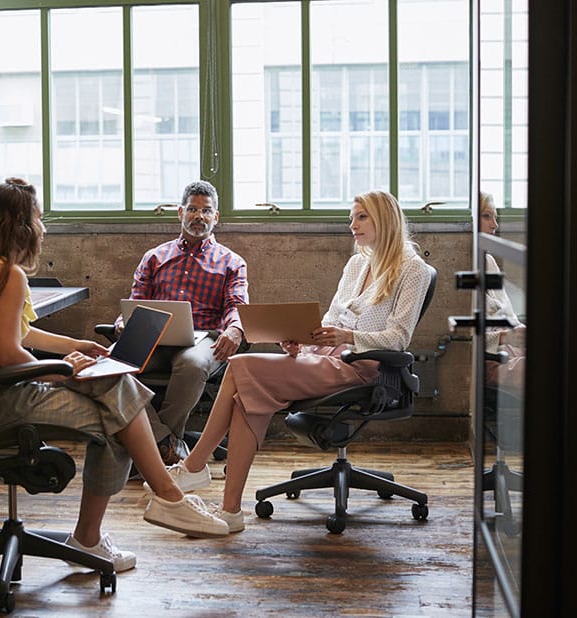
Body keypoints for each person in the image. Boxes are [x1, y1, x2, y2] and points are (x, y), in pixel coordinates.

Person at [0, 178, 230, 570]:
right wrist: (62, 371)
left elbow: (17, 332)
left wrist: (75, 347)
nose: (43, 229)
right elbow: (12, 354)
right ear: (21, 226)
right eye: (39, 219)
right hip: (6, 395)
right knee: (118, 417)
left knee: (117, 401)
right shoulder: (10, 276)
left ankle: (141, 507)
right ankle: (159, 499)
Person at [155, 190, 433, 532]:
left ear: (385, 219)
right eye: (351, 217)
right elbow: (331, 318)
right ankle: (229, 511)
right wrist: (301, 337)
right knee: (245, 399)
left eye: (361, 217)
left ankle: (195, 465)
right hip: (323, 357)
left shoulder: (413, 269)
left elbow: (399, 338)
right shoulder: (357, 263)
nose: (352, 225)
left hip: (362, 367)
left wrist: (347, 338)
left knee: (241, 367)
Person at [116, 180, 249, 465]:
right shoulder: (154, 257)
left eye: (206, 210)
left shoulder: (231, 262)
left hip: (204, 339)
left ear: (216, 217)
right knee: (111, 367)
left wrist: (235, 329)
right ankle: (165, 442)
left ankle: (149, 450)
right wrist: (123, 321)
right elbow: (137, 300)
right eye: (192, 209)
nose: (198, 216)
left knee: (192, 364)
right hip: (153, 335)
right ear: (180, 213)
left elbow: (236, 306)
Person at [479, 192, 525, 393]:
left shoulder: (488, 261)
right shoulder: (460, 268)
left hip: (509, 349)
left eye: (495, 218)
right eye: (487, 216)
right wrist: (504, 337)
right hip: (489, 359)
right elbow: (463, 338)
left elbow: (509, 315)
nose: (494, 225)